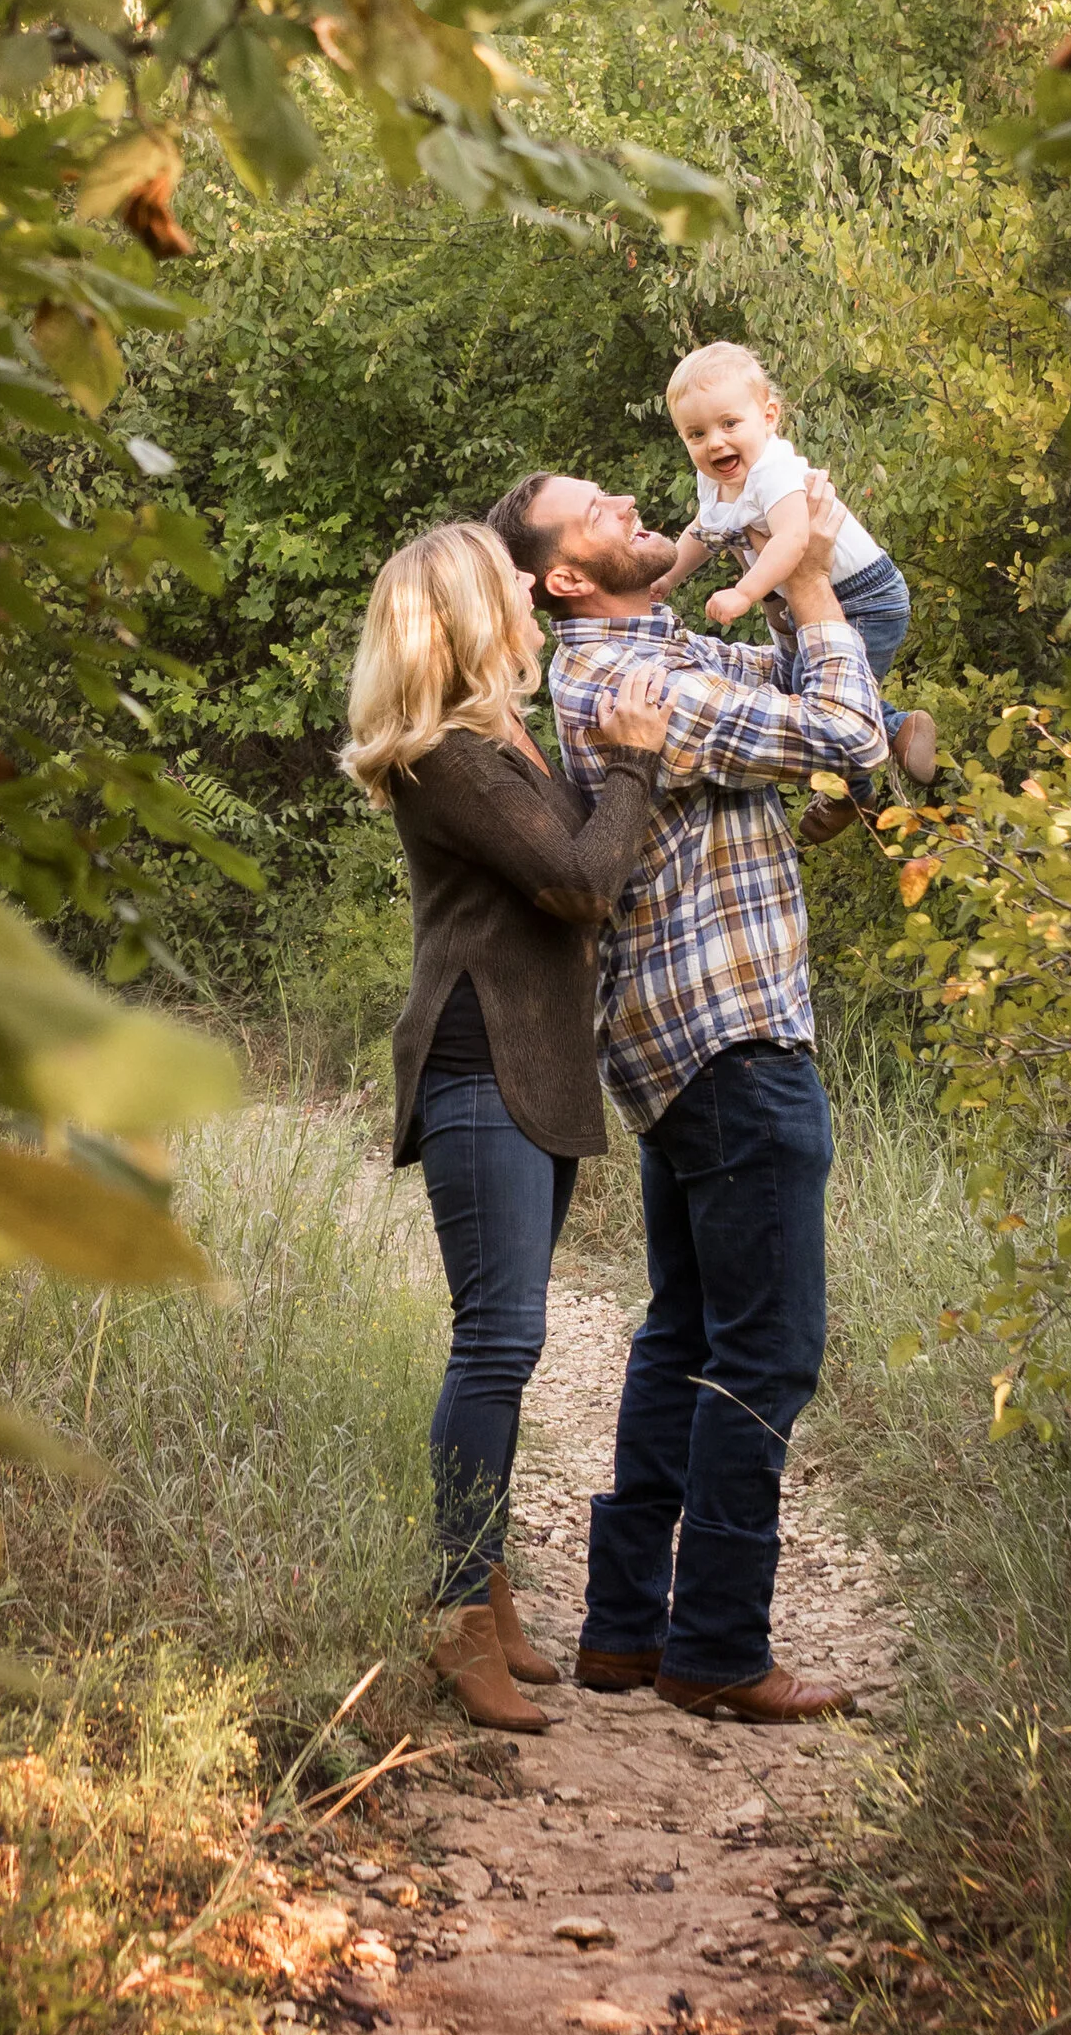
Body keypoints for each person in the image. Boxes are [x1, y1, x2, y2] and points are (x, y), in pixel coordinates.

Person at [486, 465, 882, 1722]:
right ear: (563, 577)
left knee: (682, 1334)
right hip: (730, 1037)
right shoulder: (638, 684)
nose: (631, 506)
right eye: (599, 510)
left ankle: (624, 1632)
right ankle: (715, 1646)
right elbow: (847, 734)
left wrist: (775, 586)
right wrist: (811, 578)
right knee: (764, 1349)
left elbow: (798, 692)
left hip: (682, 1043)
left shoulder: (644, 656)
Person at [340, 520, 673, 1735]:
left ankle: (490, 1597)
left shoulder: (499, 738)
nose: (536, 597)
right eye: (514, 588)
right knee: (496, 1341)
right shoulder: (444, 755)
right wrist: (633, 765)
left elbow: (587, 869)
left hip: (529, 1063)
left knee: (509, 1345)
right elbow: (583, 879)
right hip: (479, 1060)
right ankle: (453, 1618)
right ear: (477, 612)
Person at [647, 341, 935, 822]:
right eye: (696, 433)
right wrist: (670, 574)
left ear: (769, 417)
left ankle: (856, 787)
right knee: (804, 692)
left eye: (729, 424)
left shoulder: (773, 470)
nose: (714, 442)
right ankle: (897, 734)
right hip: (826, 596)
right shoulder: (717, 479)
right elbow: (704, 528)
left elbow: (794, 540)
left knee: (819, 696)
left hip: (866, 596)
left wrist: (745, 592)